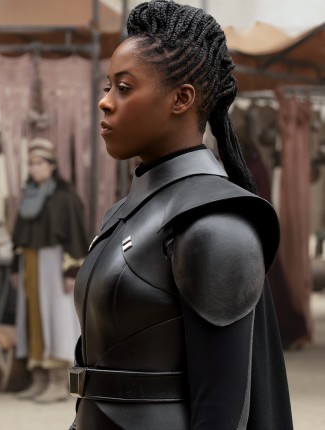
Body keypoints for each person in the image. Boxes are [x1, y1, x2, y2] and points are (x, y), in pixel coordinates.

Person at [69, 1, 293, 429]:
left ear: (182, 98)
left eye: (124, 88)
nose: (104, 102)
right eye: (107, 86)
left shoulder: (213, 223)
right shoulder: (124, 213)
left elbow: (222, 410)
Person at [11, 138, 88, 404]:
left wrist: (72, 271)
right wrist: (15, 267)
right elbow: (19, 237)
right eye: (31, 163)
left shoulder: (65, 198)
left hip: (55, 266)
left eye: (40, 162)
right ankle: (39, 378)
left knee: (56, 319)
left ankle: (58, 380)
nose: (34, 168)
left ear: (52, 166)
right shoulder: (29, 198)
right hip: (31, 265)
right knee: (33, 319)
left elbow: (76, 234)